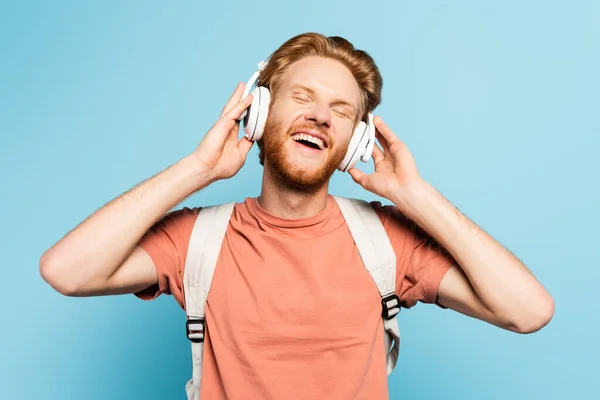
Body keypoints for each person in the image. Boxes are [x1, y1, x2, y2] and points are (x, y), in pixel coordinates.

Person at [39, 32, 554, 399]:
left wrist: (415, 197)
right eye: (302, 97)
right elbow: (66, 270)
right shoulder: (196, 240)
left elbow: (528, 311)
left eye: (342, 110)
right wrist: (197, 169)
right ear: (259, 115)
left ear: (357, 141)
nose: (320, 116)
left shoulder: (387, 241)